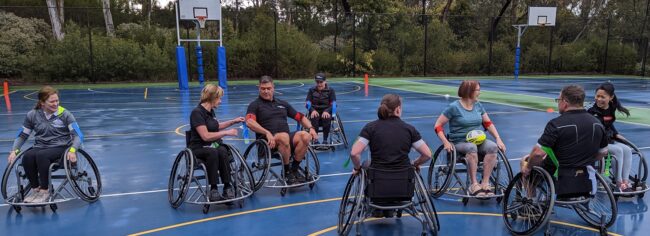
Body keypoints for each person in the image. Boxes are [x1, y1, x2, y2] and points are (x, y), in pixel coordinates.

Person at [349, 94, 432, 217]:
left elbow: (354, 153)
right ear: (398, 109)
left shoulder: (370, 128)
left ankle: (374, 203)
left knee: (366, 165)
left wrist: (357, 168)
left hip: (378, 185)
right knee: (409, 167)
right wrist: (415, 164)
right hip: (403, 187)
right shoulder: (409, 129)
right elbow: (427, 154)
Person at [521, 85, 608, 188]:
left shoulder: (556, 124)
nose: (558, 103)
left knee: (526, 160)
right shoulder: (597, 123)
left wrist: (529, 167)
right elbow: (603, 152)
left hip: (559, 178)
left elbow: (538, 154)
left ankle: (531, 201)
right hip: (586, 178)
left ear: (565, 102)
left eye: (558, 100)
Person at [7, 86, 82, 203]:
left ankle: (45, 191)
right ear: (42, 103)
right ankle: (35, 189)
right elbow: (22, 135)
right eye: (52, 101)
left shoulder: (65, 114)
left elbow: (78, 135)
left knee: (41, 155)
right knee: (27, 156)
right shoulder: (32, 115)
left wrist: (73, 150)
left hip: (61, 147)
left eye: (57, 100)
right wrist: (14, 150)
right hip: (41, 146)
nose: (56, 103)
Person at [433, 80, 506, 197]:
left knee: (492, 147)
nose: (480, 93)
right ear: (469, 91)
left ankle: (485, 183)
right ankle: (474, 185)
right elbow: (438, 125)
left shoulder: (478, 105)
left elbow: (487, 123)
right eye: (478, 90)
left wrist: (498, 138)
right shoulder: (454, 107)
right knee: (471, 147)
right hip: (459, 142)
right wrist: (445, 142)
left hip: (479, 141)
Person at [245, 76, 318, 184]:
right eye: (263, 88)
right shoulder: (255, 105)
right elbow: (249, 122)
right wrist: (266, 132)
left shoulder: (282, 104)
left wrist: (311, 128)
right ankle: (287, 172)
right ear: (259, 88)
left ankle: (294, 169)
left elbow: (300, 117)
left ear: (273, 88)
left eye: (268, 88)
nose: (266, 91)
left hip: (286, 140)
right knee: (284, 136)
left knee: (305, 135)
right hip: (267, 142)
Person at [189, 84, 244, 201]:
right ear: (212, 98)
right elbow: (205, 136)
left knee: (223, 150)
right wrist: (227, 133)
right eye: (219, 98)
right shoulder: (197, 113)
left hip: (212, 146)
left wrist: (233, 121)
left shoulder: (210, 112)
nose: (220, 101)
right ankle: (213, 189)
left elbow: (216, 126)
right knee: (213, 152)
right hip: (198, 148)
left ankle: (227, 186)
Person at [588, 82, 634, 192]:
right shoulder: (592, 111)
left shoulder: (611, 107)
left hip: (607, 138)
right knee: (618, 150)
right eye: (597, 96)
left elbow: (609, 124)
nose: (598, 99)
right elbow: (599, 131)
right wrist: (613, 135)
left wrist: (616, 133)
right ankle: (618, 183)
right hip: (595, 141)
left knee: (627, 149)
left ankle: (625, 181)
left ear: (611, 97)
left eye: (602, 97)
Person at [305, 73, 337, 144]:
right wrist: (312, 110)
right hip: (315, 110)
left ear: (325, 81)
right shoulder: (311, 90)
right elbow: (307, 103)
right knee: (314, 116)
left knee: (326, 117)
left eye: (321, 82)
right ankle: (315, 139)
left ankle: (325, 140)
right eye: (317, 82)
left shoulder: (331, 90)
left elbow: (333, 104)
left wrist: (327, 111)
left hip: (326, 110)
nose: (319, 84)